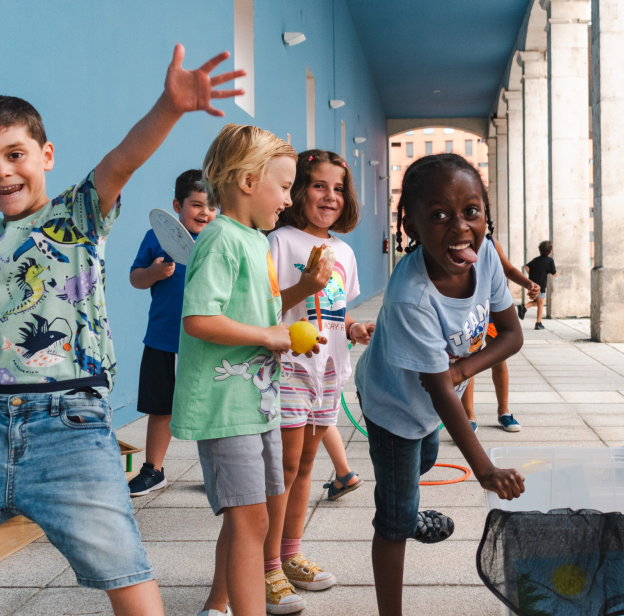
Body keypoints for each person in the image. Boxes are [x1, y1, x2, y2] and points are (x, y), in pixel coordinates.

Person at [0, 44, 244, 616]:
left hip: (72, 425)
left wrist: (170, 105)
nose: (1, 170)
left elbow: (123, 160)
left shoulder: (78, 215)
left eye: (14, 153)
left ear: (46, 154)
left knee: (121, 564)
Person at [356, 152, 526, 616]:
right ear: (409, 225)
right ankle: (400, 528)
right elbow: (440, 392)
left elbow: (512, 336)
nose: (460, 228)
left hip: (429, 401)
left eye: (471, 211)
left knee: (425, 458)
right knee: (392, 519)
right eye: (438, 216)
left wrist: (462, 370)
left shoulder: (485, 255)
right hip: (393, 406)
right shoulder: (411, 298)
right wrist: (484, 469)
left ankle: (406, 506)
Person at [171, 125, 322, 616]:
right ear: (246, 181)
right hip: (225, 406)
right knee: (251, 521)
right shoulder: (220, 239)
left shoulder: (253, 240)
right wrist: (267, 337)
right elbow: (198, 319)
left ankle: (218, 604)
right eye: (283, 187)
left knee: (247, 519)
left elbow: (264, 307)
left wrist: (303, 290)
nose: (287, 199)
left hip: (256, 403)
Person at [264, 149, 376, 606]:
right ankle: (267, 566)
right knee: (285, 468)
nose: (329, 196)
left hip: (329, 369)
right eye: (318, 185)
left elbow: (339, 309)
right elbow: (267, 308)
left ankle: (291, 554)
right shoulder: (280, 241)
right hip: (290, 367)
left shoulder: (344, 250)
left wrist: (353, 328)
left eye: (338, 188)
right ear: (296, 191)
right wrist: (304, 287)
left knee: (307, 466)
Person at [128, 169, 217, 496]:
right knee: (160, 406)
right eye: (196, 205)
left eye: (211, 206)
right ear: (177, 205)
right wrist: (153, 272)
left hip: (207, 340)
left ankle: (217, 471)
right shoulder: (157, 238)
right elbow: (136, 278)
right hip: (163, 338)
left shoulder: (217, 240)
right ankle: (154, 469)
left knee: (210, 407)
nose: (205, 212)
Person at [461, 238, 540, 432]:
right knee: (467, 363)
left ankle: (503, 412)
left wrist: (528, 283)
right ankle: (468, 416)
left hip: (492, 311)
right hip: (470, 311)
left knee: (499, 361)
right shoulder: (456, 242)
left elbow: (509, 269)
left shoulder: (491, 244)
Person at [523, 240, 556, 330]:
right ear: (550, 252)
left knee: (538, 302)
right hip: (541, 285)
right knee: (540, 304)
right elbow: (554, 272)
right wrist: (555, 274)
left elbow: (526, 266)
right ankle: (538, 323)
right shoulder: (550, 260)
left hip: (533, 283)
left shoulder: (536, 259)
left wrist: (532, 275)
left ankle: (524, 307)